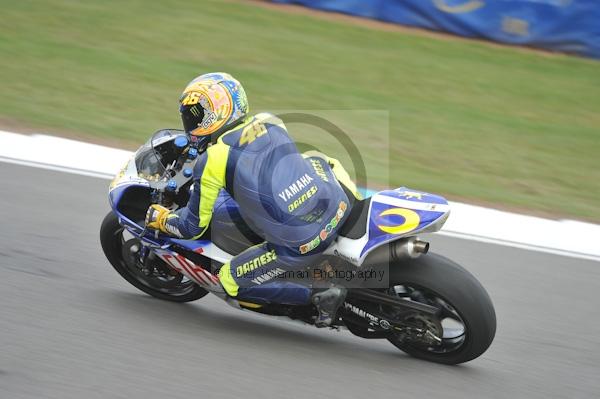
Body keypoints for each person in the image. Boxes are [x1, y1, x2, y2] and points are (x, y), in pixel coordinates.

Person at [145, 72, 361, 326]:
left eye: (198, 115)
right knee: (316, 158)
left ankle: (318, 294)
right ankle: (359, 204)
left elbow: (192, 228)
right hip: (337, 203)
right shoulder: (270, 120)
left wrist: (161, 219)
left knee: (228, 280)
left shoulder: (213, 160)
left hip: (302, 242)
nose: (192, 123)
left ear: (220, 113)